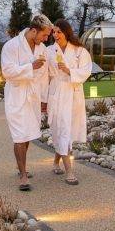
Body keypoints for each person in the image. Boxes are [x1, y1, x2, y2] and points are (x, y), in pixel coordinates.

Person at [1, 14, 53, 191]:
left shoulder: (42, 49)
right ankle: (23, 175)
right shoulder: (11, 46)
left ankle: (20, 166)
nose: (46, 39)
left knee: (28, 133)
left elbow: (44, 76)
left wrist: (44, 99)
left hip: (34, 96)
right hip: (16, 96)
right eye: (44, 35)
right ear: (33, 31)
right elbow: (7, 72)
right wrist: (31, 66)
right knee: (19, 135)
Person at [46, 19, 92, 185]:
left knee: (67, 131)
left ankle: (55, 162)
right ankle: (69, 172)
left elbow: (86, 71)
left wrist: (69, 71)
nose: (55, 35)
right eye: (54, 32)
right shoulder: (49, 51)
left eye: (59, 31)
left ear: (66, 32)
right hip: (57, 94)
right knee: (62, 129)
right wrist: (43, 98)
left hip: (73, 94)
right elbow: (45, 75)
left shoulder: (80, 51)